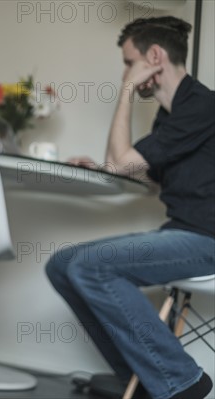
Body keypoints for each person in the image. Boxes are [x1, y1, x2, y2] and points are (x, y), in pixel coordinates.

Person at [46, 16, 214, 399]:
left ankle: (182, 382)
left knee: (91, 266)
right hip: (182, 233)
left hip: (207, 239)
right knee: (61, 265)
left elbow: (122, 162)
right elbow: (140, 175)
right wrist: (102, 167)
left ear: (154, 56)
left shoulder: (202, 105)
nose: (126, 71)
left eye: (128, 62)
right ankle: (143, 382)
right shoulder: (171, 115)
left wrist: (125, 89)